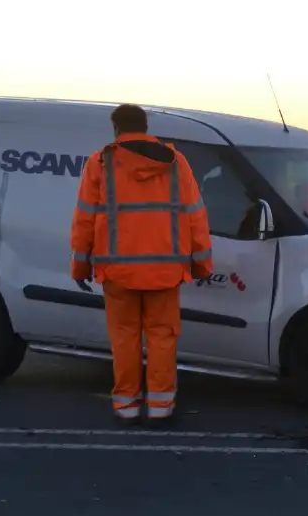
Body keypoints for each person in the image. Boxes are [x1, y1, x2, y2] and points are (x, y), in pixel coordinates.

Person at [70, 104, 213, 425]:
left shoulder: (101, 162)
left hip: (117, 272)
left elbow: (84, 220)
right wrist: (202, 264)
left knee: (125, 338)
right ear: (146, 127)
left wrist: (80, 267)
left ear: (116, 129)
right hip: (166, 270)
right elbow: (195, 217)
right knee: (162, 337)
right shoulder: (176, 163)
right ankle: (161, 407)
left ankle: (127, 406)